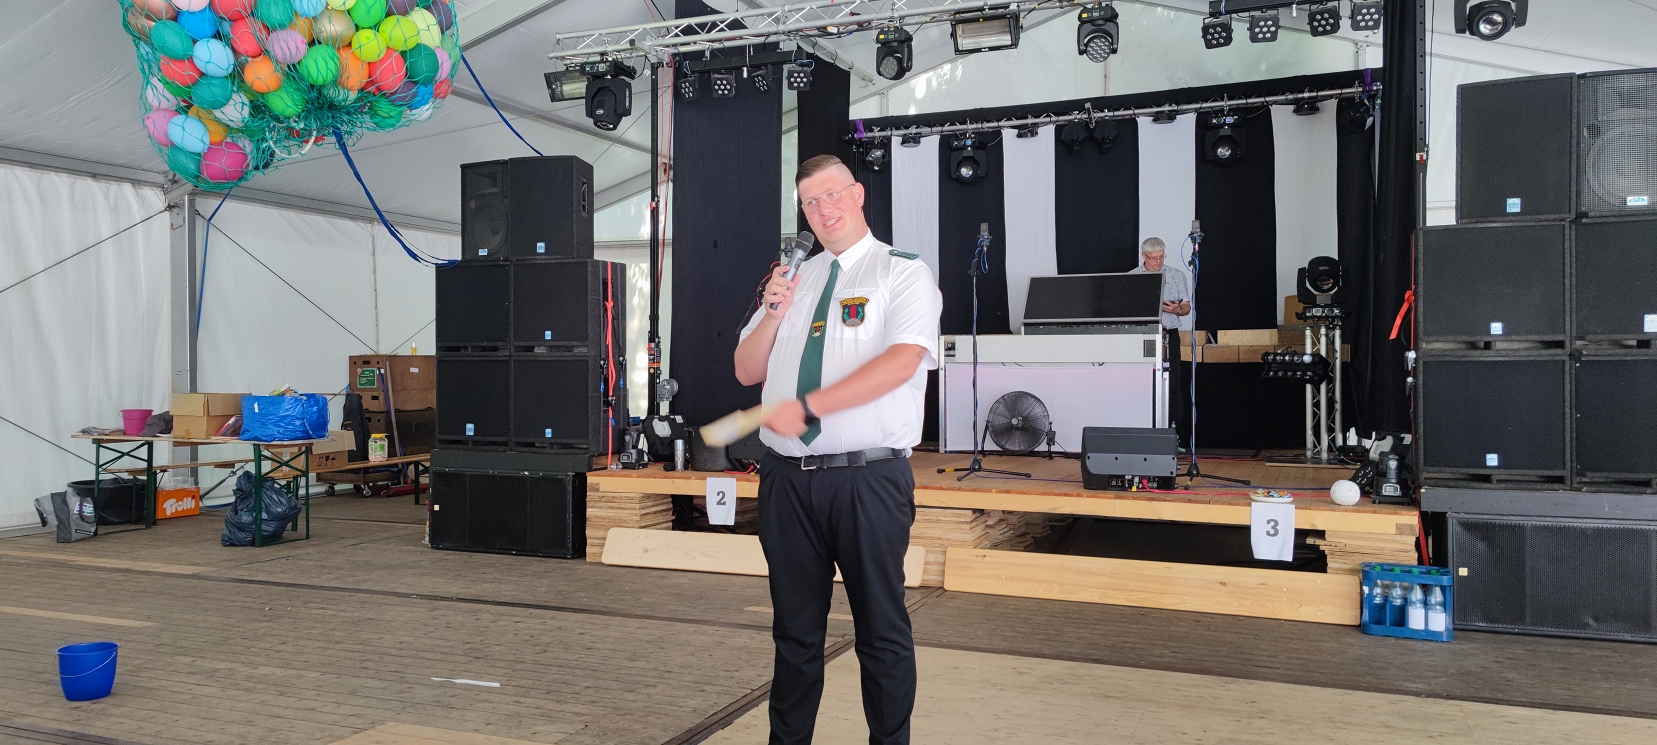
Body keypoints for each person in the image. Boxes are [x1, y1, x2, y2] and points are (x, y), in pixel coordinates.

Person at [733, 154, 942, 745]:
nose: (823, 210)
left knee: (880, 632)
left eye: (832, 195)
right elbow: (746, 369)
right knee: (795, 635)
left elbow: (902, 362)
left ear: (857, 194)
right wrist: (772, 313)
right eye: (810, 202)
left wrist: (812, 406)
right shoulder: (794, 278)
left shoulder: (902, 272)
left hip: (866, 480)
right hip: (786, 480)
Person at [1128, 237, 1192, 446]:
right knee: (1140, 385)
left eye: (1161, 257)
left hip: (1168, 334)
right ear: (1143, 256)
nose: (1158, 262)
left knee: (1173, 385)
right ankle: (1140, 432)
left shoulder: (1176, 275)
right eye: (1154, 258)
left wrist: (1177, 309)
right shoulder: (1131, 278)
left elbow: (1187, 307)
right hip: (1139, 336)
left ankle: (1176, 436)